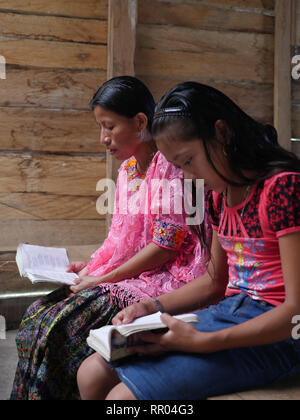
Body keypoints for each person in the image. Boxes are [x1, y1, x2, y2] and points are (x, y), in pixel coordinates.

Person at [77, 81, 300, 401]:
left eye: (188, 161)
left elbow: (295, 312)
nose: (190, 178)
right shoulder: (219, 197)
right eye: (180, 167)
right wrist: (148, 306)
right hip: (231, 314)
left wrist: (205, 342)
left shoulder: (282, 189)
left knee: (121, 400)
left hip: (279, 335)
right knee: (91, 374)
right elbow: (213, 281)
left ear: (221, 133)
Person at [10, 78, 209, 400]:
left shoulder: (172, 167)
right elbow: (121, 237)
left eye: (109, 127)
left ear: (141, 122)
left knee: (56, 327)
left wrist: (104, 277)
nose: (103, 139)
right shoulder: (129, 170)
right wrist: (92, 266)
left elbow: (166, 245)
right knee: (36, 315)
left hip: (165, 279)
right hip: (127, 275)